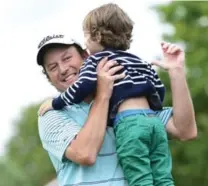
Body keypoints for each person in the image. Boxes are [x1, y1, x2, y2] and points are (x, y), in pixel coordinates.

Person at [39, 4, 173, 185]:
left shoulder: (123, 99)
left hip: (141, 118)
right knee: (160, 175)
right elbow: (85, 153)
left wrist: (177, 73)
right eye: (52, 67)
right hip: (145, 119)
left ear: (86, 58)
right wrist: (104, 94)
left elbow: (186, 130)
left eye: (67, 58)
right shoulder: (50, 114)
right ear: (48, 77)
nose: (62, 69)